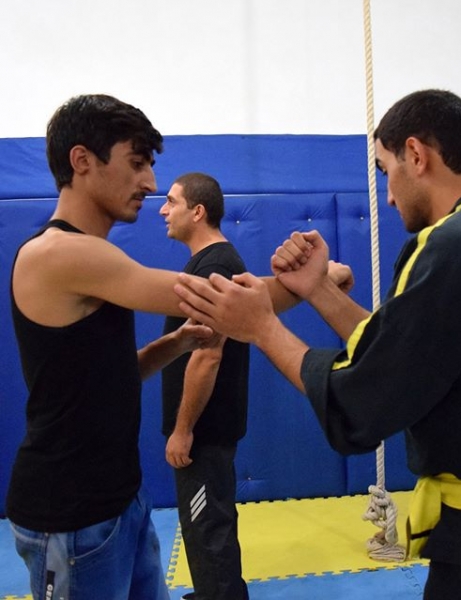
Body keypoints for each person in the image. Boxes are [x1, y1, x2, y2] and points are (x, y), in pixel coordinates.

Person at [173, 89, 461, 599]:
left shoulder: (454, 246)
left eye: (385, 169)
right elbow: (406, 352)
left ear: (415, 155)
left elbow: (360, 406)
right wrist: (318, 288)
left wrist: (261, 326)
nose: (390, 196)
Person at [5, 94, 302, 600]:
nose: (149, 183)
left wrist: (175, 343)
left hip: (121, 502)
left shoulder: (93, 256)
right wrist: (313, 281)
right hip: (70, 516)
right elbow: (221, 300)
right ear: (82, 161)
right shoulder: (61, 253)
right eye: (137, 164)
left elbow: (107, 376)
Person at [159, 173, 249, 600]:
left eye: (171, 201)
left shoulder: (215, 266)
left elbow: (208, 355)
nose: (163, 210)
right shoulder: (209, 263)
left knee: (208, 530)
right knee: (204, 528)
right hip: (206, 431)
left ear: (197, 212)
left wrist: (183, 429)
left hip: (203, 433)